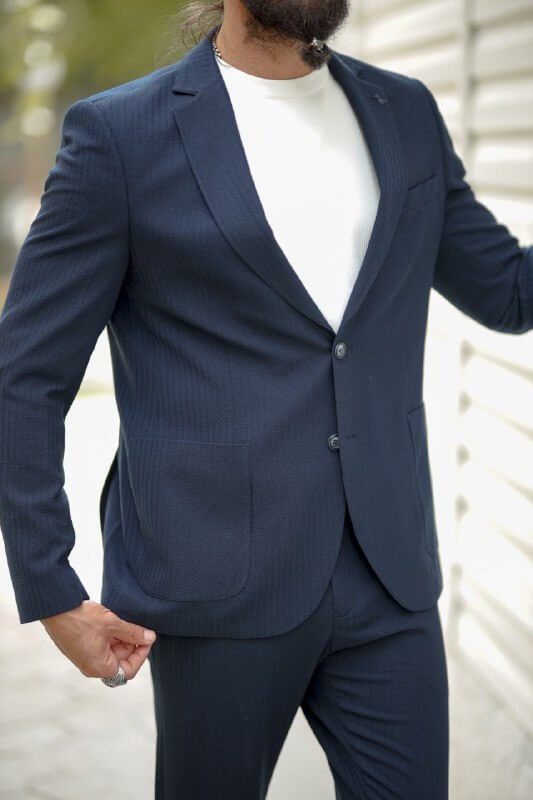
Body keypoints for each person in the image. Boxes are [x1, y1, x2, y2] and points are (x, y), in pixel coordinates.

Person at [0, 1, 531, 798]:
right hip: (214, 576)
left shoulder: (404, 112)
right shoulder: (122, 136)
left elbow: (505, 290)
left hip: (388, 572)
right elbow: (25, 374)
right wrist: (50, 589)